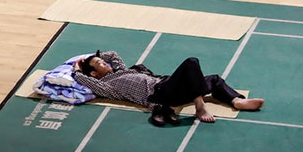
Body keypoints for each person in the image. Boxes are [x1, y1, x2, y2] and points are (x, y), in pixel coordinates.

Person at [73, 51, 264, 126]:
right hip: (160, 94)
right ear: (94, 74)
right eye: (100, 63)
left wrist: (90, 57)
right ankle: (199, 104)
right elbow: (82, 78)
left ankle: (237, 101)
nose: (106, 63)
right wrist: (77, 67)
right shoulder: (106, 86)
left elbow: (113, 55)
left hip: (167, 84)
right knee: (191, 62)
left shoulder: (121, 70)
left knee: (213, 79)